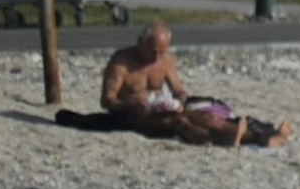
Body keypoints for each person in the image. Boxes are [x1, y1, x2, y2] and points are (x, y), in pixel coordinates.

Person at [78, 22, 285, 145]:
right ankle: (226, 140)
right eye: (153, 51)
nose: (157, 57)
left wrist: (179, 101)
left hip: (164, 108)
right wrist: (131, 105)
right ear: (140, 42)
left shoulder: (165, 60)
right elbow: (107, 101)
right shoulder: (121, 61)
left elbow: (178, 90)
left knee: (208, 118)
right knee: (180, 124)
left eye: (162, 51)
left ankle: (262, 138)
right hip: (135, 115)